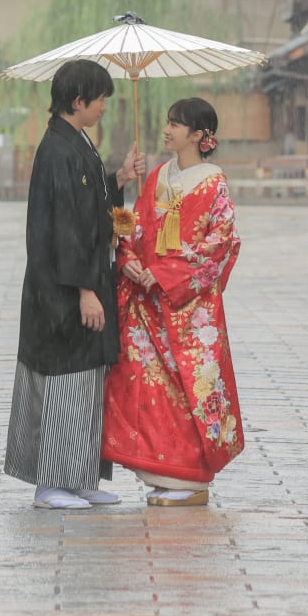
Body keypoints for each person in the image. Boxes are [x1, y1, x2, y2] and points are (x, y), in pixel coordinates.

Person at [4, 59, 146, 510]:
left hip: (80, 281)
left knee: (86, 381)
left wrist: (118, 179)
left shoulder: (76, 144)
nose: (105, 106)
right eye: (100, 98)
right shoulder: (58, 150)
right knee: (64, 380)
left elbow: (90, 204)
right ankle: (52, 484)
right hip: (61, 291)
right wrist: (85, 289)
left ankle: (79, 476)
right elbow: (67, 227)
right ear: (78, 101)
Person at [102, 97, 244, 506]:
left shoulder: (214, 183)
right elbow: (137, 224)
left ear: (200, 136)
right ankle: (163, 469)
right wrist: (128, 258)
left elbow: (221, 242)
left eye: (177, 125)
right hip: (149, 301)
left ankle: (191, 476)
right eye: (167, 122)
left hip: (187, 306)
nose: (167, 130)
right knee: (152, 387)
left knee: (189, 387)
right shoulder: (160, 175)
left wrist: (165, 273)